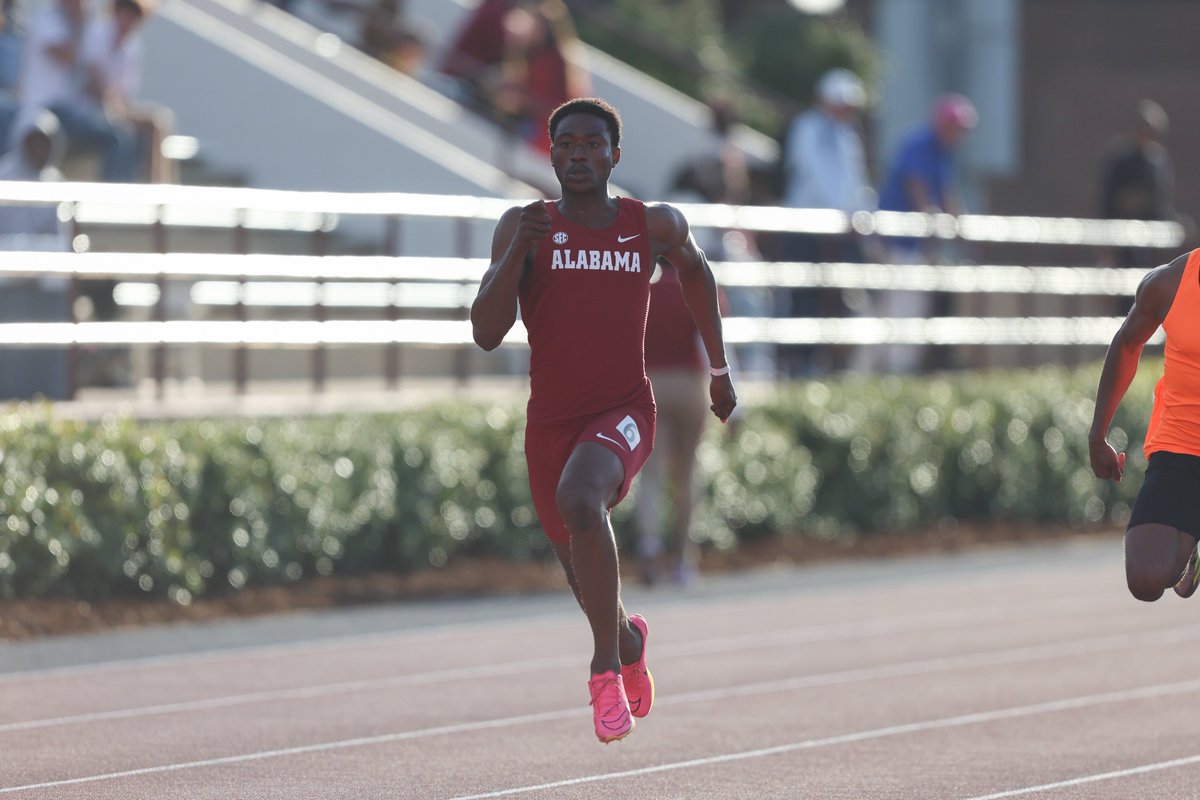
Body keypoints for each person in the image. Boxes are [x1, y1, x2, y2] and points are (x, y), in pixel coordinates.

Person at [471, 97, 736, 743]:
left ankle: (602, 672)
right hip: (550, 425)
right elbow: (485, 332)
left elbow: (698, 275)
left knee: (582, 499)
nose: (580, 154)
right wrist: (516, 257)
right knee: (589, 585)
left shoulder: (650, 225)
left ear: (615, 156)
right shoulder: (522, 226)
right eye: (567, 145)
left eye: (594, 144)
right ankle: (626, 638)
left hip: (623, 411)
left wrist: (721, 372)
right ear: (552, 153)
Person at [1090, 247, 1200, 603]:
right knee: (1146, 580)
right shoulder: (1169, 283)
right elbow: (1128, 342)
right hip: (1182, 444)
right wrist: (1098, 433)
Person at [633, 260, 727, 587]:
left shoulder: (642, 287)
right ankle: (684, 559)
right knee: (687, 473)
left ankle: (650, 545)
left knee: (651, 471)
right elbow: (711, 340)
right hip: (689, 383)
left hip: (650, 382)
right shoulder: (696, 285)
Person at [870, 92, 977, 374]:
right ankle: (895, 371)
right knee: (899, 307)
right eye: (956, 127)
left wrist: (959, 226)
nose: (959, 134)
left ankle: (882, 371)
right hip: (895, 240)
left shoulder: (943, 153)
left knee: (898, 308)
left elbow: (947, 196)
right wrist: (938, 226)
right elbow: (917, 189)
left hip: (913, 244)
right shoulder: (921, 144)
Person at [778, 67, 872, 375]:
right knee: (803, 294)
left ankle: (826, 363)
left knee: (835, 297)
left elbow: (856, 178)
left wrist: (860, 212)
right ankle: (797, 363)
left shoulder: (847, 135)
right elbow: (813, 174)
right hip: (807, 227)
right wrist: (841, 211)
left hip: (837, 231)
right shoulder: (807, 128)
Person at [18, 0, 140, 182]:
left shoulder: (79, 27)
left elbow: (91, 78)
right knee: (116, 139)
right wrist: (83, 25)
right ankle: (112, 203)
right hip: (44, 110)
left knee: (127, 137)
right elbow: (68, 56)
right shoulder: (48, 20)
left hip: (68, 111)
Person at [81, 0, 174, 182]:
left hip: (113, 110)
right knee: (123, 137)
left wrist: (118, 108)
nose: (129, 20)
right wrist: (113, 104)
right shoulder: (97, 33)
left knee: (159, 123)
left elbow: (123, 95)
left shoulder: (132, 47)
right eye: (126, 13)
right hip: (88, 108)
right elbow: (91, 81)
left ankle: (161, 185)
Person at [1099, 100, 1177, 312]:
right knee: (1124, 288)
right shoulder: (1120, 159)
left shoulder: (1157, 162)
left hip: (1148, 238)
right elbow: (1108, 201)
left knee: (1147, 285)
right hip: (1121, 235)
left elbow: (1161, 202)